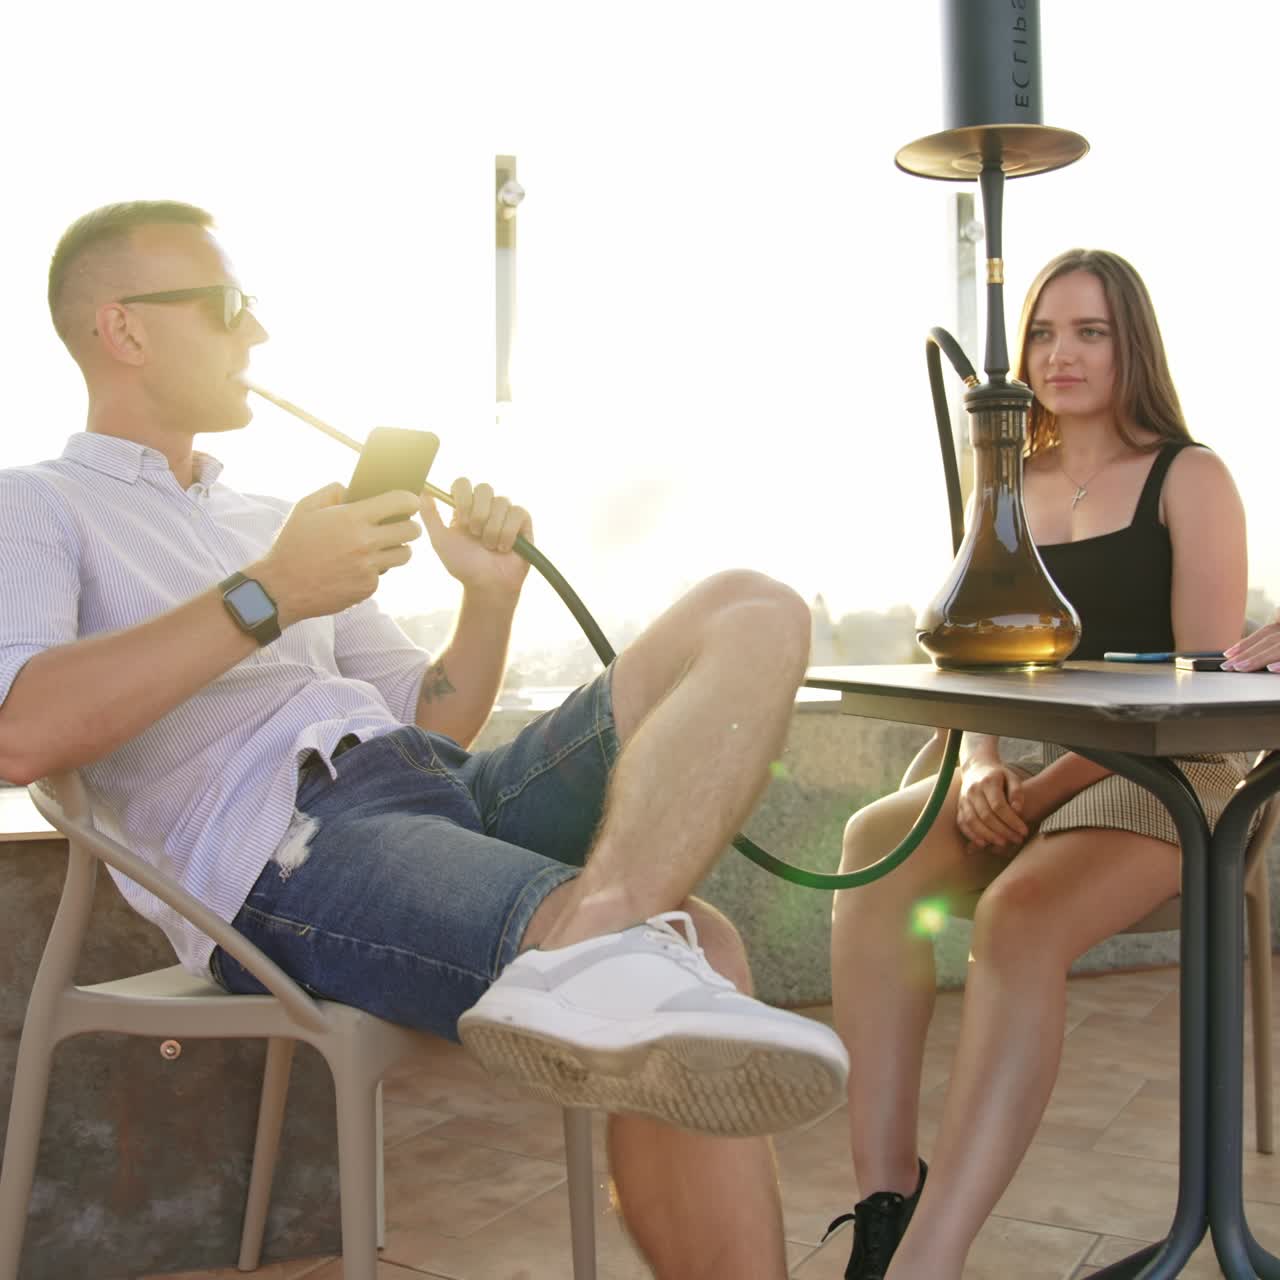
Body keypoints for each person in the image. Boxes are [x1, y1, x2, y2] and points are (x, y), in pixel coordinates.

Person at [0, 200, 849, 1280]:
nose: (254, 334)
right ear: (121, 329)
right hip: (285, 848)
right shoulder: (35, 507)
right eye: (225, 307)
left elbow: (426, 718)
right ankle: (598, 946)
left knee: (751, 607)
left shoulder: (279, 516)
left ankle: (592, 935)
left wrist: (484, 600)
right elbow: (19, 729)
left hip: (436, 787)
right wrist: (268, 591)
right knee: (703, 949)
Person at [825, 248, 1249, 1280]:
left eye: (1088, 331)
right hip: (1010, 761)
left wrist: (1048, 781)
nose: (1060, 353)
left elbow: (1198, 691)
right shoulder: (1005, 480)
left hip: (1158, 773)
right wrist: (975, 761)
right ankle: (884, 1202)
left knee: (1018, 915)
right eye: (1044, 332)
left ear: (1130, 345)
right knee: (870, 848)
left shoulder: (1187, 477)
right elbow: (972, 644)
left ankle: (931, 1256)